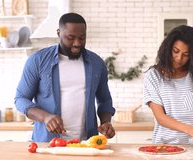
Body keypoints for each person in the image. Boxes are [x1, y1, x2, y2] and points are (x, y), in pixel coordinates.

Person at [14, 13, 116, 142]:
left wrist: (106, 122)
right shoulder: (38, 60)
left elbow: (105, 100)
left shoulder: (97, 63)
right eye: (70, 38)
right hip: (48, 143)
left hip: (87, 144)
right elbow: (20, 99)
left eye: (82, 38)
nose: (77, 43)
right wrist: (45, 117)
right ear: (58, 33)